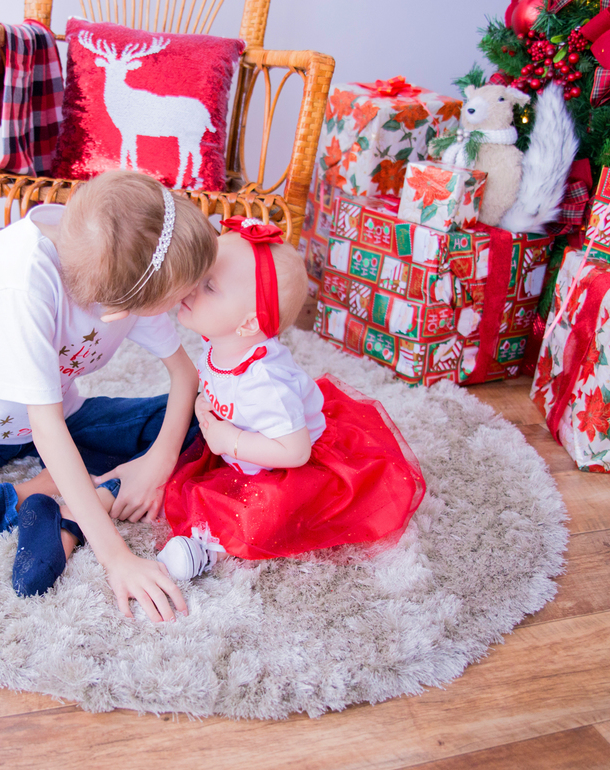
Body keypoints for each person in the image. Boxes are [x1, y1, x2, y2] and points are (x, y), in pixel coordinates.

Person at [0, 171, 217, 622]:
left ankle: (72, 510)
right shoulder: (20, 282)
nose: (186, 306)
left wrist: (158, 465)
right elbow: (45, 428)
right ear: (120, 307)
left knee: (218, 418)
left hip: (58, 420)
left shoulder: (127, 260)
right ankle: (42, 491)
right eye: (179, 298)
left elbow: (187, 376)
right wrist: (118, 559)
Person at [158, 217, 427, 580]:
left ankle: (209, 548)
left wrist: (231, 440)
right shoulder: (220, 342)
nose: (191, 288)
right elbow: (218, 385)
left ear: (248, 324)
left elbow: (295, 452)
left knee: (265, 516)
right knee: (184, 466)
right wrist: (206, 404)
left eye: (209, 286)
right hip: (250, 443)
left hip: (288, 464)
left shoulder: (267, 383)